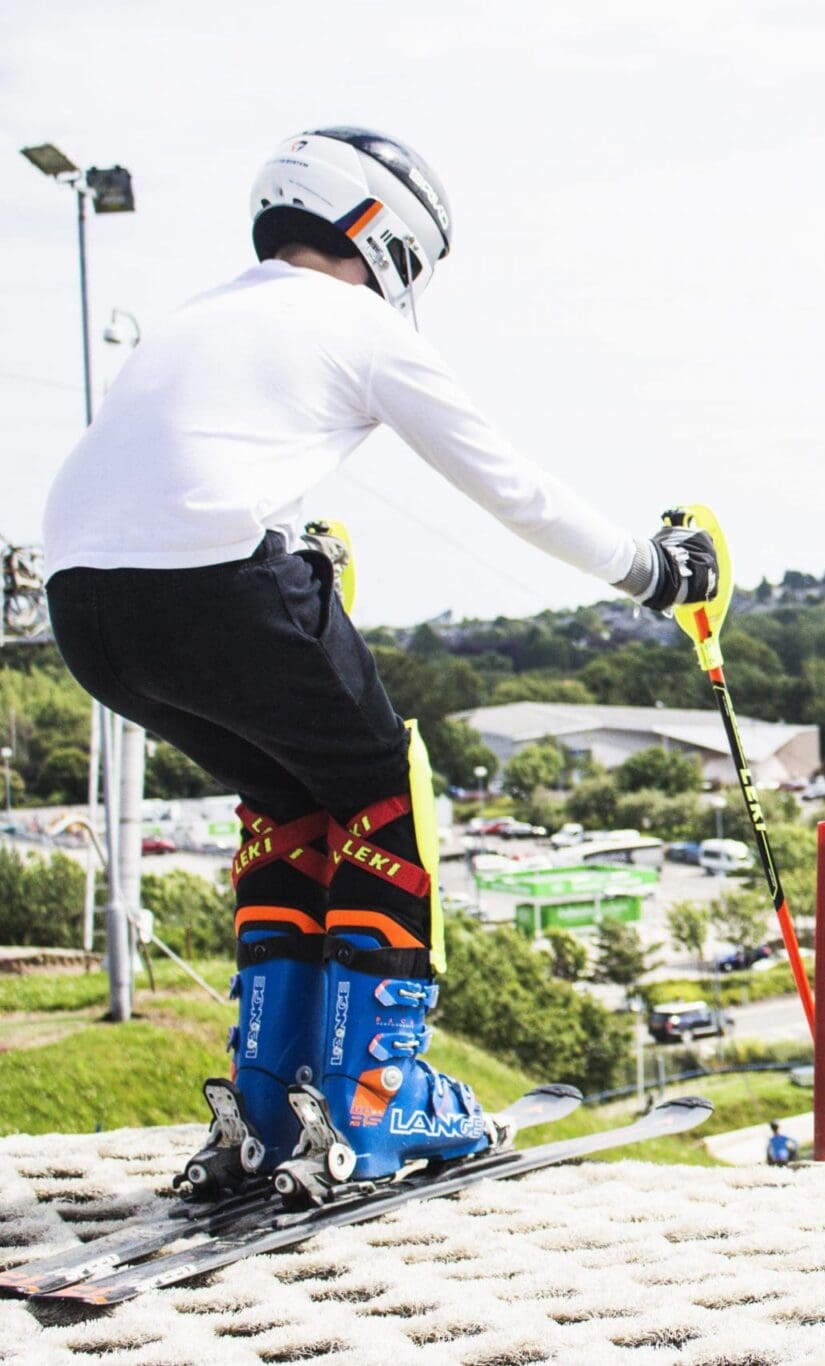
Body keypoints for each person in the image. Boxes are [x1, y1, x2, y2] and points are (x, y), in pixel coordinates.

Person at [40, 127, 718, 1201]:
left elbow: (176, 471)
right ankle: (373, 1099)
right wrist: (653, 571)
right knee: (381, 797)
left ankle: (268, 1101)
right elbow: (512, 486)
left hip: (84, 611)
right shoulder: (354, 322)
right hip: (215, 582)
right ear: (384, 234)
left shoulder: (199, 314)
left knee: (289, 799)